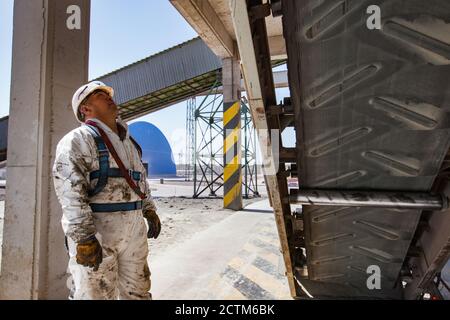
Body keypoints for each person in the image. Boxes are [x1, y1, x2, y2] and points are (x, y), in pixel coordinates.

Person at [52, 81, 161, 300]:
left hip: (133, 233)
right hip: (98, 234)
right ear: (85, 109)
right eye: (99, 94)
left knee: (138, 293)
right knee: (95, 295)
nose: (108, 96)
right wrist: (84, 238)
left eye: (107, 93)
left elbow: (139, 181)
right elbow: (71, 193)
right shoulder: (77, 141)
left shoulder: (129, 143)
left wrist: (149, 210)